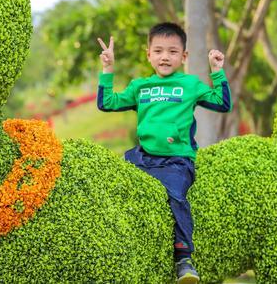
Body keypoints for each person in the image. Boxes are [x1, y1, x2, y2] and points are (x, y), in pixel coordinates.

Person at [96, 22, 232, 284]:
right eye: (158, 51)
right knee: (111, 185)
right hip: (141, 157)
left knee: (176, 197)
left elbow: (222, 103)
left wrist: (217, 71)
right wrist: (108, 68)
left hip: (176, 161)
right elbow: (107, 103)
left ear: (183, 57)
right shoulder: (140, 87)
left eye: (172, 52)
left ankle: (183, 260)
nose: (164, 57)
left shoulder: (189, 84)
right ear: (148, 55)